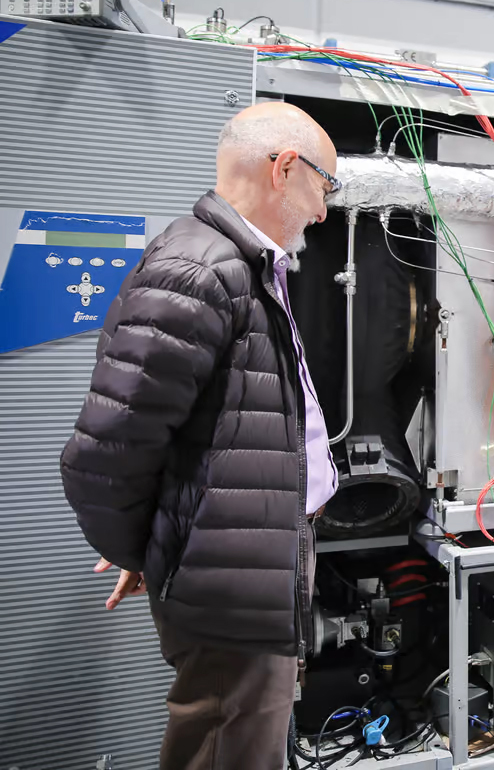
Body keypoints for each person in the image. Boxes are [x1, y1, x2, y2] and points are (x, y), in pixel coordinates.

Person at [60, 102, 341, 770]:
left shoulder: (242, 266)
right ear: (284, 169)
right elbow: (103, 453)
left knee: (247, 735)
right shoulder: (201, 271)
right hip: (227, 575)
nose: (324, 211)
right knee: (227, 742)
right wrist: (158, 549)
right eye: (324, 186)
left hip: (250, 558)